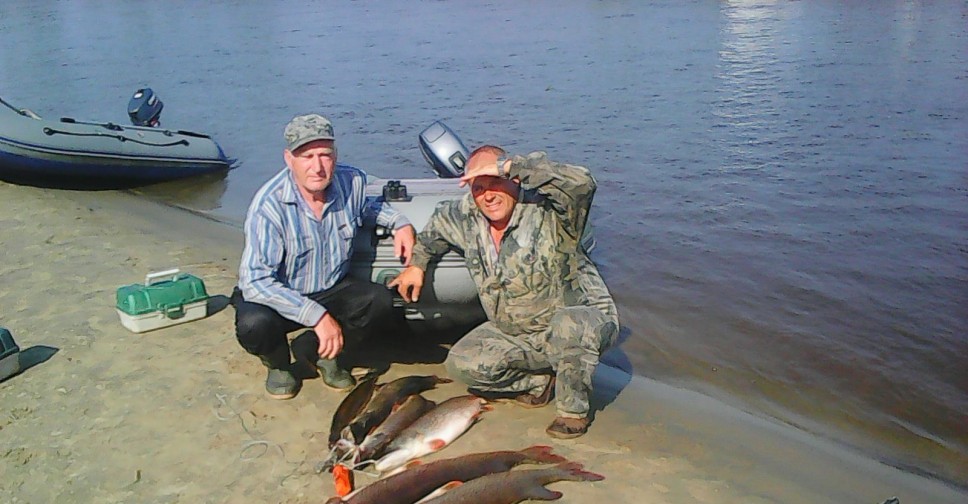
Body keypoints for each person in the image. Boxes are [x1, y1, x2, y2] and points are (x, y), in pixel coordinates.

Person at [389, 145, 619, 438]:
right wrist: (417, 264)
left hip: (581, 321)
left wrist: (510, 166)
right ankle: (539, 382)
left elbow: (582, 183)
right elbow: (434, 231)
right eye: (479, 186)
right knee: (461, 365)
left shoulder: (550, 211)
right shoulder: (463, 216)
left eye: (496, 181)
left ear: (513, 180)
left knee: (569, 325)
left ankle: (572, 411)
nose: (488, 194)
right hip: (517, 330)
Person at [233, 113, 416, 399]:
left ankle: (327, 355)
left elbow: (368, 206)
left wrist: (399, 223)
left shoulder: (352, 181)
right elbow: (255, 281)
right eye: (307, 156)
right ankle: (278, 365)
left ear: (335, 154)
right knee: (253, 325)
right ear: (288, 159)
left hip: (332, 287)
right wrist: (317, 317)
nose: (318, 167)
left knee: (380, 303)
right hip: (281, 294)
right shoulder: (268, 205)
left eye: (325, 155)